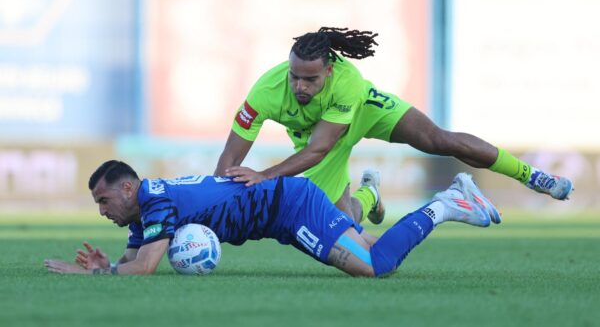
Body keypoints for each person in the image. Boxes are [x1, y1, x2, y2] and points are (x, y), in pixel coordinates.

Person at [214, 26, 574, 226]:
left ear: (329, 69)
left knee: (438, 139)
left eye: (309, 79)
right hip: (317, 138)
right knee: (345, 225)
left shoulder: (348, 81)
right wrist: (209, 206)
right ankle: (369, 195)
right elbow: (230, 157)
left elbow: (319, 149)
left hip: (360, 113)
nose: (299, 87)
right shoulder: (265, 90)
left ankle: (531, 175)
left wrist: (265, 175)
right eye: (294, 77)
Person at [45, 160, 500, 277]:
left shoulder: (157, 202)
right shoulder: (147, 209)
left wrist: (97, 276)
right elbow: (132, 257)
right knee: (370, 244)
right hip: (284, 207)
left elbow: (144, 268)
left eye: (104, 201)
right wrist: (107, 267)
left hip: (288, 207)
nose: (102, 211)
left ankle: (446, 203)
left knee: (374, 265)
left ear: (127, 188)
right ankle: (369, 193)